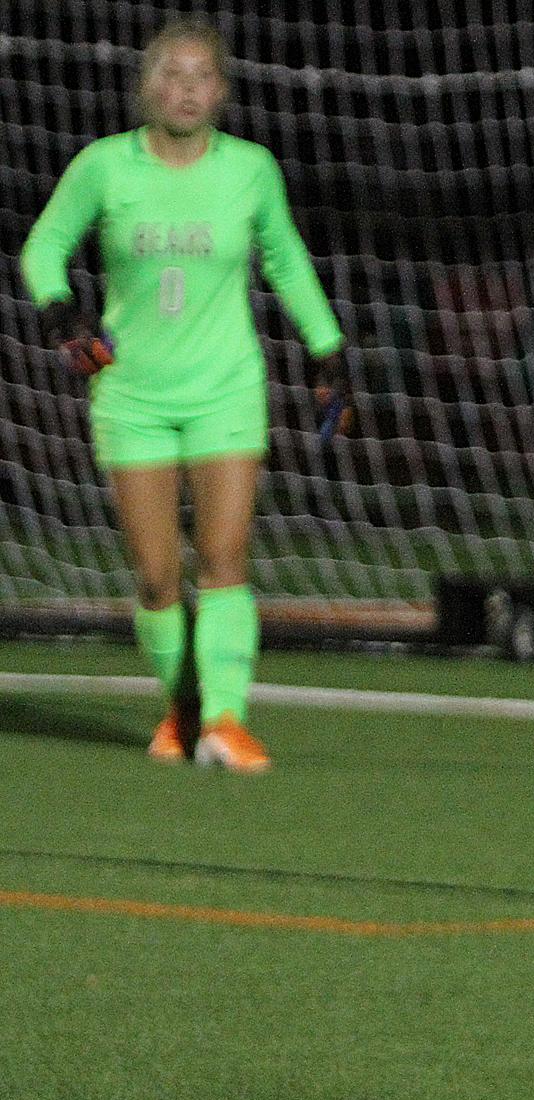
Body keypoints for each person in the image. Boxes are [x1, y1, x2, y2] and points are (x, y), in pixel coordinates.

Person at [19, 20, 353, 773]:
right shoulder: (105, 167)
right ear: (148, 87)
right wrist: (60, 311)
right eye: (172, 75)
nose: (187, 89)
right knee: (157, 575)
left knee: (225, 554)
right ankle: (183, 709)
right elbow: (42, 245)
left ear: (222, 91)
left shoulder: (251, 170)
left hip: (226, 388)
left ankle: (226, 721)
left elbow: (288, 260)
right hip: (131, 394)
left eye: (202, 76)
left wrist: (328, 348)